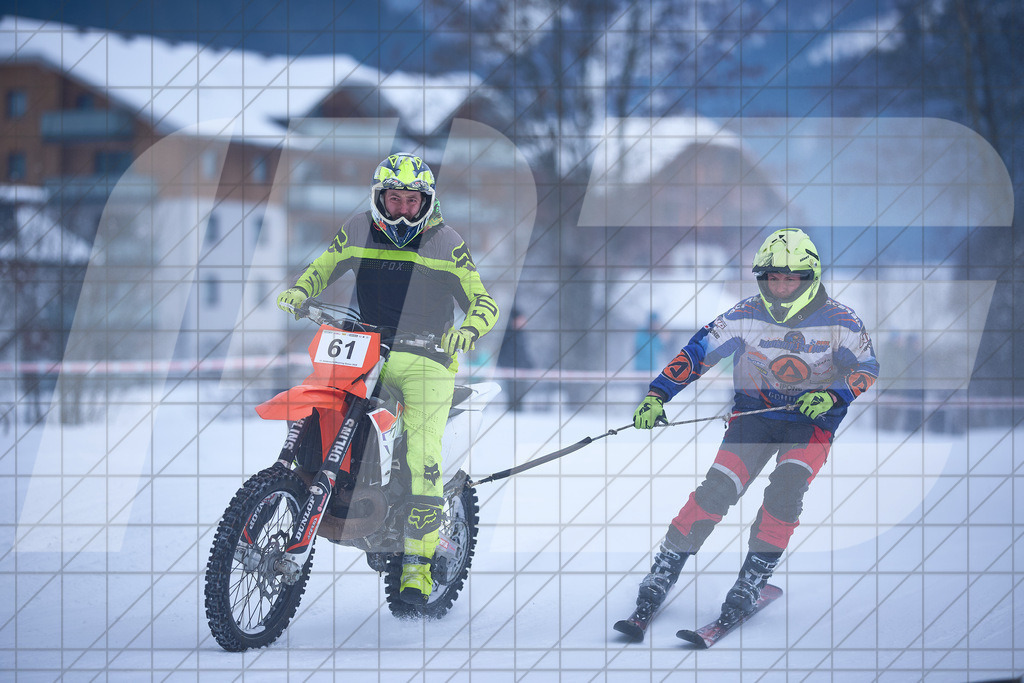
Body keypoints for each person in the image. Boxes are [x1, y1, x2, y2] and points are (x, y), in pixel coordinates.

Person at [625, 228, 879, 631]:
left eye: (790, 278)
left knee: (786, 491)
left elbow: (867, 367)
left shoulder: (842, 322)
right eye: (772, 278)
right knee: (716, 490)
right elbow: (697, 353)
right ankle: (665, 566)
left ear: (810, 277)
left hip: (811, 424)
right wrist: (658, 395)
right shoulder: (743, 315)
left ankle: (753, 579)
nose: (780, 287)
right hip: (754, 418)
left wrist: (835, 395)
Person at [276, 153, 499, 605]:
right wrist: (302, 289)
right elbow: (324, 264)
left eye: (410, 201)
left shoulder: (446, 241)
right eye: (393, 199)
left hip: (428, 358)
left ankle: (417, 563)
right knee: (319, 408)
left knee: (421, 454)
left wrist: (468, 329)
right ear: (380, 198)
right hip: (366, 349)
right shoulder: (358, 228)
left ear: (425, 202)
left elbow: (484, 301)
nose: (401, 209)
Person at [496, 306, 533, 411]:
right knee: (513, 396)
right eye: (521, 319)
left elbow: (523, 352)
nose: (524, 322)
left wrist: (528, 364)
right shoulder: (507, 335)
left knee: (520, 395)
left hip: (521, 369)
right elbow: (504, 353)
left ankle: (518, 413)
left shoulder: (521, 334)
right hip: (511, 370)